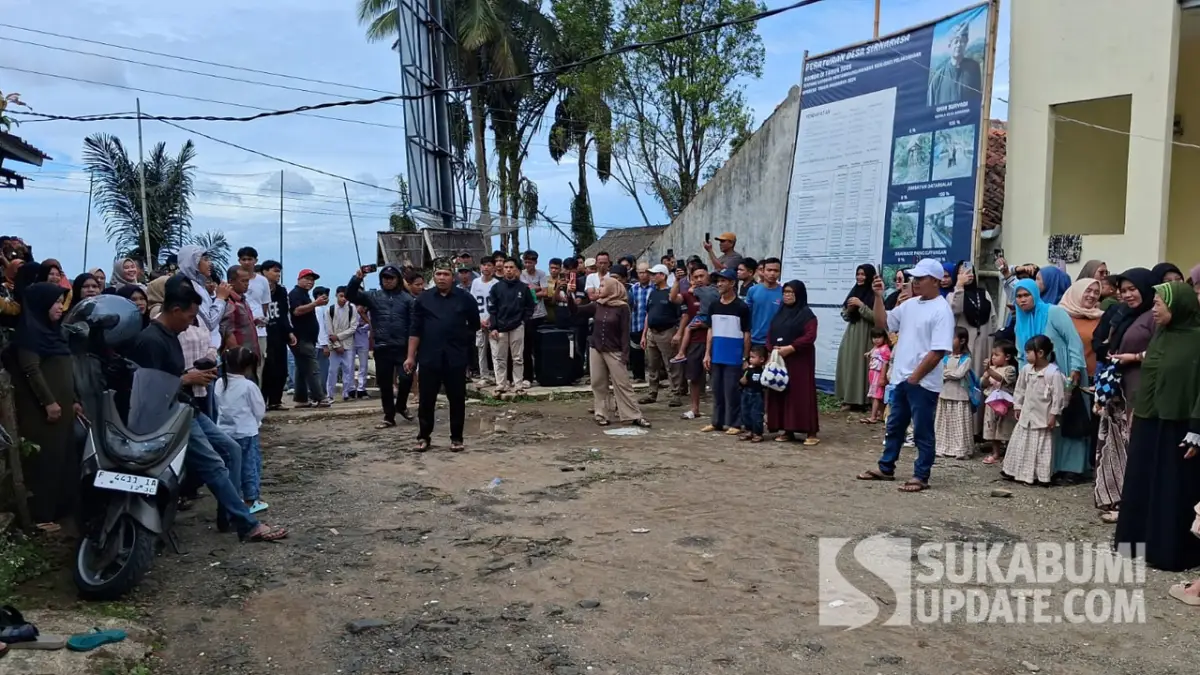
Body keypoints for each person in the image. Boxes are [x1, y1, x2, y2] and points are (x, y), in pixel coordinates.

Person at [129, 276, 286, 542]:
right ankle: (247, 523)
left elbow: (171, 374)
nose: (191, 322)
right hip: (171, 415)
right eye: (190, 316)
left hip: (187, 406)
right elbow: (148, 387)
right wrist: (185, 379)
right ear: (175, 310)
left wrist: (193, 373)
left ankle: (229, 515)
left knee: (232, 450)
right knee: (214, 464)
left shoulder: (171, 335)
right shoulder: (151, 340)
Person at [1115, 281, 1200, 573]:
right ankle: (1135, 544)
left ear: (1178, 307)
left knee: (1171, 487)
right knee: (1141, 481)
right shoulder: (1162, 335)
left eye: (1159, 304)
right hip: (1150, 419)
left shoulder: (1197, 339)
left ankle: (1168, 551)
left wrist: (1197, 428)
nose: (1153, 310)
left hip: (1179, 425)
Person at [857, 258, 955, 493]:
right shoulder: (910, 305)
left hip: (922, 382)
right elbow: (882, 323)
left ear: (935, 281)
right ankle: (886, 467)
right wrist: (879, 296)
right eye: (914, 278)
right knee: (894, 426)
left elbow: (938, 351)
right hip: (902, 378)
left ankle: (921, 475)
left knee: (922, 430)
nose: (915, 282)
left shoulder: (942, 310)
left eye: (920, 278)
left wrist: (915, 377)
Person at [8, 282, 79, 530]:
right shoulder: (29, 334)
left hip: (64, 409)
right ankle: (41, 516)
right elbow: (31, 370)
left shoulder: (53, 332)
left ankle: (60, 510)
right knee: (45, 462)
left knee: (63, 459)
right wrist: (49, 402)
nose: (61, 307)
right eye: (56, 302)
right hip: (43, 414)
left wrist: (74, 402)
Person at [1091, 268, 1156, 523]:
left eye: (1132, 289)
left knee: (1133, 445)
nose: (1127, 295)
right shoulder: (1124, 314)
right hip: (1119, 387)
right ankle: (1117, 498)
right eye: (1123, 290)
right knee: (1116, 445)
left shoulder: (1154, 316)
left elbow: (1160, 351)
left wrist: (1135, 357)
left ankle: (1132, 504)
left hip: (1140, 388)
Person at [1011, 278, 1089, 479]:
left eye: (1026, 295)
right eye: (1018, 296)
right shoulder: (1020, 320)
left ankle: (1072, 468)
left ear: (1035, 294)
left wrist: (1075, 371)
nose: (1022, 300)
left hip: (1064, 371)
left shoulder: (1054, 313)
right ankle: (1048, 468)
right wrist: (1026, 377)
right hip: (1037, 378)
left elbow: (1073, 342)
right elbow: (1021, 353)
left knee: (1069, 416)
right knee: (1045, 421)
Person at [404, 264, 480, 452]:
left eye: (446, 274)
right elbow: (415, 330)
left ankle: (456, 438)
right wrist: (410, 357)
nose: (442, 277)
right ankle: (423, 437)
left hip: (456, 357)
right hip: (430, 357)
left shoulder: (465, 298)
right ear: (434, 277)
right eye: (438, 274)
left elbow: (475, 324)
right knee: (427, 400)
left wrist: (462, 341)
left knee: (456, 399)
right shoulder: (423, 299)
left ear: (452, 277)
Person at [574, 276, 650, 428]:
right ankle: (601, 414)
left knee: (622, 383)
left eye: (602, 286)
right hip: (596, 348)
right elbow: (576, 311)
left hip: (614, 350)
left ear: (612, 288)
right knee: (598, 383)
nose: (599, 288)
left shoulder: (622, 308)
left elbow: (624, 332)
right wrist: (568, 295)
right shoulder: (597, 305)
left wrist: (625, 354)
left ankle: (633, 415)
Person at [346, 264, 414, 427]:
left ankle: (401, 405)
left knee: (406, 379)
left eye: (391, 278)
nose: (388, 281)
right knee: (385, 384)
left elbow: (414, 324)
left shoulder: (408, 299)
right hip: (382, 346)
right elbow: (350, 295)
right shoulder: (373, 296)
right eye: (385, 278)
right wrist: (357, 279)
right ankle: (388, 416)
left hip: (403, 347)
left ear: (398, 280)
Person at [1001, 335, 1066, 485]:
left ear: (1041, 353)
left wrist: (1053, 414)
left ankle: (1040, 476)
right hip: (1027, 415)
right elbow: (1020, 389)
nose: (1025, 355)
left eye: (1029, 352)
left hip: (1042, 417)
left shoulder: (1053, 373)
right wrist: (1017, 405)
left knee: (1041, 447)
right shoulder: (1026, 370)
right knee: (1021, 443)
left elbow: (1058, 397)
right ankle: (1015, 471)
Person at [215, 345, 269, 514]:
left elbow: (217, 405)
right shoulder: (248, 386)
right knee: (249, 465)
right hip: (246, 432)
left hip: (224, 432)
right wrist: (256, 422)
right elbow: (259, 410)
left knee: (230, 467)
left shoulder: (219, 383)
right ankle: (250, 499)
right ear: (247, 367)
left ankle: (233, 497)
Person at [765, 280, 820, 444]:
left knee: (801, 394)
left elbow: (810, 336)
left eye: (791, 292)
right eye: (785, 292)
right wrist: (771, 347)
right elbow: (770, 332)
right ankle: (787, 429)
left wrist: (792, 347)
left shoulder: (807, 315)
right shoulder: (779, 313)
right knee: (782, 392)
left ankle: (811, 432)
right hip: (780, 359)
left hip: (799, 360)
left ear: (799, 294)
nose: (787, 295)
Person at [701, 268, 750, 435]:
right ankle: (717, 422)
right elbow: (710, 330)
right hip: (717, 354)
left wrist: (745, 357)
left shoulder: (741, 307)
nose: (719, 284)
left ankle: (735, 423)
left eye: (723, 281)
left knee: (732, 390)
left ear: (732, 283)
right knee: (717, 389)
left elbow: (746, 333)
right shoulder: (714, 306)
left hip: (734, 355)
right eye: (718, 281)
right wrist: (707, 353)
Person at [948, 262, 993, 432]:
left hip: (984, 345)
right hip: (964, 346)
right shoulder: (953, 295)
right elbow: (954, 309)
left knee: (982, 382)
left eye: (971, 270)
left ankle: (981, 429)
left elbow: (993, 319)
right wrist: (959, 286)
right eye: (963, 271)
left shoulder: (984, 294)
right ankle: (965, 429)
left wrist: (993, 343)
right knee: (966, 381)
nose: (968, 273)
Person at [487, 258, 535, 393]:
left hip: (517, 326)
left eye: (511, 267)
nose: (508, 269)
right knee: (500, 358)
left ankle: (518, 384)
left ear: (516, 270)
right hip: (500, 327)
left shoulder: (523, 288)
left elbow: (530, 307)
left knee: (518, 358)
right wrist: (494, 327)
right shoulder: (496, 287)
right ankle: (501, 384)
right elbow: (492, 308)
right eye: (506, 267)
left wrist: (523, 321)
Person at [639, 264, 683, 407]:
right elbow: (648, 314)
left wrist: (677, 333)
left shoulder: (671, 293)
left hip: (667, 331)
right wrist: (644, 334)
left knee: (671, 364)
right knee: (653, 365)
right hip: (653, 332)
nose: (651, 277)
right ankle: (652, 393)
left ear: (663, 276)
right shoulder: (653, 293)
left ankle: (676, 393)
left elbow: (680, 311)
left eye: (654, 274)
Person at [673, 265, 713, 421]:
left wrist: (706, 325)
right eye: (695, 277)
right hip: (695, 342)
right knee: (694, 377)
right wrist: (677, 281)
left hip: (713, 339)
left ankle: (720, 410)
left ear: (708, 276)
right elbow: (673, 298)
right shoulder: (688, 295)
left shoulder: (715, 294)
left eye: (701, 276)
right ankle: (694, 409)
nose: (698, 280)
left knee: (717, 377)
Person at [835, 264, 877, 410]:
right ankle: (848, 399)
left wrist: (861, 306)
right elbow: (845, 315)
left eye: (863, 274)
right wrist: (849, 309)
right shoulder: (854, 291)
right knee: (848, 363)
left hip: (866, 335)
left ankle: (863, 401)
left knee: (863, 366)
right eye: (858, 274)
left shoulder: (875, 294)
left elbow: (877, 318)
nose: (860, 277)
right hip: (852, 333)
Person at [288, 269, 329, 407]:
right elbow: (297, 311)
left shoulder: (304, 294)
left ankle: (301, 399)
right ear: (299, 279)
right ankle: (320, 397)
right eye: (307, 279)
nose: (310, 282)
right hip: (301, 337)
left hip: (308, 337)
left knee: (301, 368)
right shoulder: (295, 294)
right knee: (313, 367)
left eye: (312, 280)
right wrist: (315, 304)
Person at [260, 260, 296, 411]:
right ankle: (262, 401)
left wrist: (289, 332)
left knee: (281, 368)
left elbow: (284, 313)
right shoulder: (257, 289)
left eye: (279, 271)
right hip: (263, 332)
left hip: (279, 333)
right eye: (274, 271)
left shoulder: (281, 291)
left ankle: (276, 400)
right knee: (266, 368)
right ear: (264, 272)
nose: (278, 274)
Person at [935, 326, 975, 459]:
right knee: (944, 422)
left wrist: (946, 373)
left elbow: (959, 374)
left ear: (962, 341)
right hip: (945, 393)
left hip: (960, 395)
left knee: (959, 423)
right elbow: (940, 373)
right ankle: (942, 447)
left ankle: (960, 449)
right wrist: (947, 374)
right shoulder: (945, 358)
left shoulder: (966, 359)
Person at [927, 20, 982, 106]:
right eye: (956, 41)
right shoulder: (938, 78)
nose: (959, 45)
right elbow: (930, 110)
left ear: (966, 43)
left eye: (962, 41)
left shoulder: (974, 68)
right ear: (950, 45)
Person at [238, 247, 272, 383]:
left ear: (255, 261)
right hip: (240, 330)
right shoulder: (233, 279)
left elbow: (265, 304)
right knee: (240, 365)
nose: (246, 262)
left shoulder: (262, 281)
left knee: (258, 366)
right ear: (239, 261)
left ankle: (256, 398)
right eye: (243, 259)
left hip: (259, 331)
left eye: (249, 259)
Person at [981, 341, 1019, 465]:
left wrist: (989, 371)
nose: (993, 357)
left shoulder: (1010, 369)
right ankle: (995, 452)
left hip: (1005, 404)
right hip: (991, 403)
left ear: (1007, 357)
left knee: (1006, 427)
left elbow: (1002, 379)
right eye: (992, 355)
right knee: (992, 428)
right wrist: (986, 376)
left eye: (996, 355)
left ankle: (1010, 452)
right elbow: (983, 384)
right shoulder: (991, 369)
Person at [1059, 278, 1104, 376]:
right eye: (1088, 291)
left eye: (1096, 292)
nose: (1092, 295)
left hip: (1092, 376)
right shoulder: (1060, 315)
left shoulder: (1101, 317)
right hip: (1064, 375)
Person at [519, 250, 550, 382]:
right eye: (525, 262)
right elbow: (524, 293)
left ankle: (542, 373)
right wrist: (536, 288)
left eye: (530, 262)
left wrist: (532, 289)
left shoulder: (541, 274)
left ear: (535, 262)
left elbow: (545, 292)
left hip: (540, 314)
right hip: (527, 316)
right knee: (526, 348)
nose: (527, 265)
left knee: (540, 347)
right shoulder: (521, 274)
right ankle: (528, 376)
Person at [325, 286, 359, 401]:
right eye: (341, 296)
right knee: (332, 371)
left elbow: (353, 328)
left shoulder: (352, 308)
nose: (343, 299)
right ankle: (329, 394)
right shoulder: (330, 310)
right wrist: (336, 344)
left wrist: (338, 337)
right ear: (336, 295)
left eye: (346, 297)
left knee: (348, 370)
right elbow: (329, 330)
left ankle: (346, 393)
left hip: (348, 344)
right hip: (334, 346)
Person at [219, 265, 259, 359]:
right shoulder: (229, 302)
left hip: (250, 355)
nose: (247, 284)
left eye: (248, 281)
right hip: (240, 359)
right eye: (243, 281)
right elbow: (227, 332)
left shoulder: (242, 300)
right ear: (231, 282)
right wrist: (237, 356)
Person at [470, 258, 499, 384]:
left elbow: (498, 304)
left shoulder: (496, 283)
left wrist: (489, 319)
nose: (486, 268)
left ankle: (499, 376)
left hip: (492, 321)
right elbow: (472, 302)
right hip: (479, 319)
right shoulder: (476, 282)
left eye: (489, 265)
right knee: (481, 349)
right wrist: (479, 320)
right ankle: (484, 376)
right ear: (480, 267)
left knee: (496, 351)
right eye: (484, 265)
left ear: (493, 268)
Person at [744, 258, 782, 348]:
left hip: (775, 342)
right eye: (769, 270)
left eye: (776, 270)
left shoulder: (783, 292)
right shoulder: (753, 290)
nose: (772, 273)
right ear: (763, 271)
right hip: (753, 340)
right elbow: (746, 315)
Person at [628, 263, 653, 384]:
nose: (642, 275)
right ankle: (639, 376)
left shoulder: (654, 288)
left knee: (653, 355)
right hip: (636, 323)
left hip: (651, 326)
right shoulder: (633, 288)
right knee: (636, 353)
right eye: (640, 272)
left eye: (645, 272)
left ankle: (656, 378)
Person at [737, 345, 768, 442]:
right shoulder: (748, 370)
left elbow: (764, 385)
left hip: (757, 394)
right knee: (745, 413)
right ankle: (748, 430)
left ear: (762, 359)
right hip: (746, 393)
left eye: (753, 357)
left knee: (756, 414)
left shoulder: (763, 372)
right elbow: (742, 381)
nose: (750, 360)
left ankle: (758, 433)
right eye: (750, 357)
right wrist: (742, 381)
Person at [864, 327, 892, 425]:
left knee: (876, 396)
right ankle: (880, 414)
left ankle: (873, 416)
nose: (876, 339)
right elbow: (872, 352)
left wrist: (882, 377)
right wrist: (869, 354)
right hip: (873, 373)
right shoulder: (876, 348)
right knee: (876, 394)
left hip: (878, 373)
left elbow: (885, 363)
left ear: (884, 338)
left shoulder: (885, 349)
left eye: (879, 337)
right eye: (874, 337)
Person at [350, 305, 372, 399]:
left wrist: (362, 315)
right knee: (349, 365)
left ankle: (361, 389)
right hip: (350, 340)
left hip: (363, 339)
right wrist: (359, 325)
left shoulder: (367, 311)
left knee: (363, 365)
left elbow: (370, 325)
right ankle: (350, 389)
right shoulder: (350, 309)